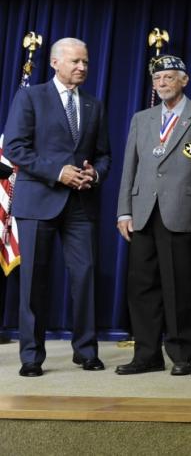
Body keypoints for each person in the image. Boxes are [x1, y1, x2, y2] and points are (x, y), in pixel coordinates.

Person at [4, 37, 111, 377]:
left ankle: (86, 351)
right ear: (55, 62)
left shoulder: (94, 105)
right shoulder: (30, 96)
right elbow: (16, 148)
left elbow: (105, 154)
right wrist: (58, 171)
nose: (82, 67)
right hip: (38, 202)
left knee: (85, 277)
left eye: (86, 62)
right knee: (34, 281)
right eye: (76, 61)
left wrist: (95, 173)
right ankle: (32, 357)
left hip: (81, 204)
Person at [115, 55, 191, 376]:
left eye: (169, 77)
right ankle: (146, 354)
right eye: (158, 79)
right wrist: (123, 210)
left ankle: (182, 354)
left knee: (178, 285)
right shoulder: (142, 118)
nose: (163, 83)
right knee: (141, 285)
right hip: (142, 211)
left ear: (184, 80)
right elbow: (130, 167)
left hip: (181, 210)